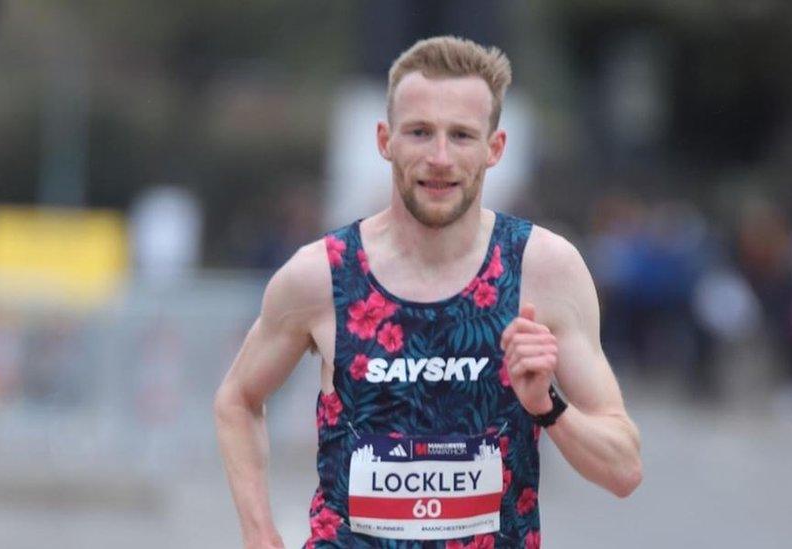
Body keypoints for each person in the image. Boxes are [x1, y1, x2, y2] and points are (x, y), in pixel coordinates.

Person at [214, 36, 643, 549]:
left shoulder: (542, 268)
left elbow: (624, 469)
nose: (440, 157)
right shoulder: (322, 275)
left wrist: (546, 406)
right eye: (420, 132)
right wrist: (258, 532)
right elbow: (238, 399)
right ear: (385, 140)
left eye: (461, 135)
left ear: (494, 148)